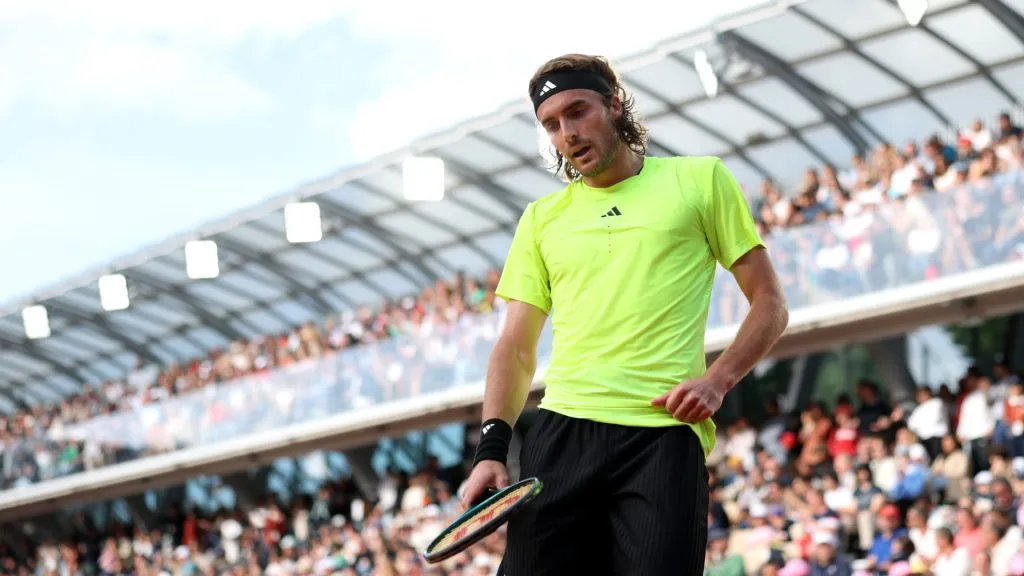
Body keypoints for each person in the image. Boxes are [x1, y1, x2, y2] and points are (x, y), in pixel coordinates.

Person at [460, 53, 789, 575]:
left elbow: (770, 303)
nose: (566, 133)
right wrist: (491, 450)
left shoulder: (700, 180)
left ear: (614, 104)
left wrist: (718, 380)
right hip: (563, 433)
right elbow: (516, 347)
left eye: (578, 112)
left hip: (663, 434)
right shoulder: (541, 220)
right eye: (551, 125)